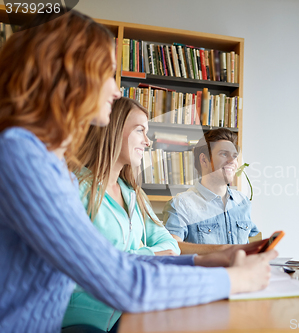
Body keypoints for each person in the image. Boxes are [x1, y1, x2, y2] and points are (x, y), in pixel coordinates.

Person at [0, 10, 275, 333]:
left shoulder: (48, 163)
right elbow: (125, 283)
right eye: (107, 74)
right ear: (69, 75)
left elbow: (118, 262)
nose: (116, 91)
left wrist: (203, 261)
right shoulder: (19, 154)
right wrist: (235, 280)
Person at [62, 97, 181, 332]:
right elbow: (92, 265)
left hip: (127, 314)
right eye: (140, 130)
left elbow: (169, 244)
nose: (147, 142)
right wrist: (149, 255)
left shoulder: (133, 194)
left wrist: (138, 256)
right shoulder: (75, 188)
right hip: (80, 319)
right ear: (114, 129)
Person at [163, 128, 260, 254]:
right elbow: (171, 249)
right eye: (224, 154)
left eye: (235, 156)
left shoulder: (243, 202)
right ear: (204, 160)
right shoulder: (180, 205)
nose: (232, 161)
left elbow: (253, 244)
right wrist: (221, 250)